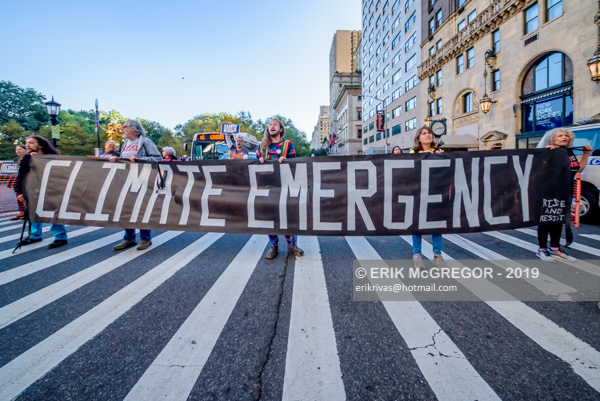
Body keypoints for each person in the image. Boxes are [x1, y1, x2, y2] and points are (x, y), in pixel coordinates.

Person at [535, 128, 593, 261]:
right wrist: (546, 153)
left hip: (564, 192)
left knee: (558, 220)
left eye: (566, 135)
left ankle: (555, 248)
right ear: (551, 139)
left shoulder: (569, 153)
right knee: (545, 220)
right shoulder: (546, 152)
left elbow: (578, 169)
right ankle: (542, 249)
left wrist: (586, 154)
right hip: (547, 191)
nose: (564, 137)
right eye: (559, 136)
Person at [109, 119, 162, 251]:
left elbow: (158, 158)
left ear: (134, 129)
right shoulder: (125, 143)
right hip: (126, 179)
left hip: (142, 179)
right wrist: (116, 159)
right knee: (126, 208)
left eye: (124, 127)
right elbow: (125, 160)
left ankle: (145, 238)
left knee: (141, 208)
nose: (122, 129)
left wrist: (140, 159)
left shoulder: (146, 142)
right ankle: (129, 238)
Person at [257, 118, 304, 259]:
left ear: (281, 129)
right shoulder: (262, 146)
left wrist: (287, 161)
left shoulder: (288, 144)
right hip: (268, 187)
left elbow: (296, 164)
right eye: (270, 125)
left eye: (275, 125)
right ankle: (273, 246)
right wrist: (258, 162)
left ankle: (292, 245)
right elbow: (255, 165)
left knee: (287, 216)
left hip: (285, 187)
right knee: (270, 217)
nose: (272, 127)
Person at [15, 136, 68, 248]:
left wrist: (39, 159)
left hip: (51, 190)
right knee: (33, 213)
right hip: (32, 191)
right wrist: (19, 192)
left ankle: (60, 237)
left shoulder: (52, 157)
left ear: (40, 145)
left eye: (31, 143)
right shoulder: (27, 158)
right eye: (27, 143)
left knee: (54, 212)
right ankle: (34, 236)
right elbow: (21, 176)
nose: (27, 145)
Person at [410, 126, 445, 269]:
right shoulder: (414, 153)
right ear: (419, 138)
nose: (427, 135)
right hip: (418, 192)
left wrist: (440, 156)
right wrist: (425, 155)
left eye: (429, 133)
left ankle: (437, 256)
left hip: (435, 192)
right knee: (417, 225)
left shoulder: (439, 152)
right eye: (424, 133)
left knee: (436, 225)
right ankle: (417, 255)